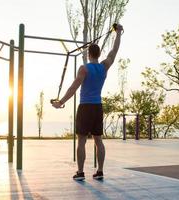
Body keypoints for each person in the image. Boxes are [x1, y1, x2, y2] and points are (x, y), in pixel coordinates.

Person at [52, 24, 123, 181]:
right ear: (98, 54)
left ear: (89, 54)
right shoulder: (104, 66)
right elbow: (114, 51)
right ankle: (100, 171)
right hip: (97, 107)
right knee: (99, 140)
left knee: (82, 141)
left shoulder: (84, 69)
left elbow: (73, 88)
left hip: (85, 107)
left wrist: (60, 102)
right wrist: (118, 33)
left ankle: (80, 172)